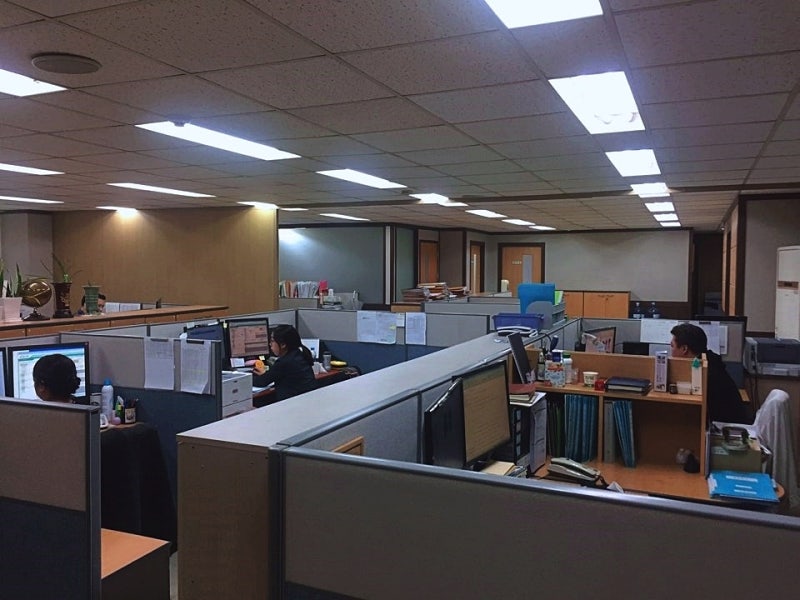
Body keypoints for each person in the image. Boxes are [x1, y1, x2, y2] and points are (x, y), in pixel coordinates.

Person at [669, 323, 752, 424]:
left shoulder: (707, 374)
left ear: (684, 349)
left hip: (726, 427)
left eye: (672, 346)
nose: (671, 352)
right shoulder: (710, 362)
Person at [251, 324, 317, 402]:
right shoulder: (300, 353)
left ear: (283, 344)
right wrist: (266, 374)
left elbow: (262, 382)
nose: (270, 344)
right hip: (305, 401)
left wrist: (245, 379)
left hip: (291, 404)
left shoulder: (284, 362)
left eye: (272, 341)